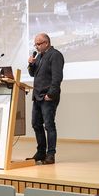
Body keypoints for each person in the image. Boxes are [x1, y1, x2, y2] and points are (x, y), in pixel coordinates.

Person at [27, 33, 64, 164]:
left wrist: (51, 94)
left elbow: (57, 77)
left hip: (48, 96)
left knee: (49, 125)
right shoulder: (39, 56)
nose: (36, 46)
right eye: (35, 44)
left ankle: (50, 154)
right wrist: (31, 64)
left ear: (46, 43)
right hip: (37, 96)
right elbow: (32, 74)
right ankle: (41, 152)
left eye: (38, 44)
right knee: (36, 124)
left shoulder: (55, 55)